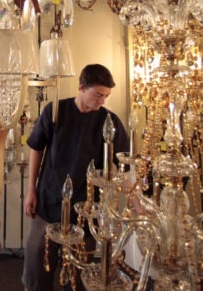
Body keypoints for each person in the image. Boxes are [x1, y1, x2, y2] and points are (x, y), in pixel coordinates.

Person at [22, 64, 129, 291]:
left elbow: (124, 166)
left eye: (106, 96)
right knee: (37, 267)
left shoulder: (110, 122)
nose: (102, 101)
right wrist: (31, 189)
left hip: (86, 209)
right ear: (81, 87)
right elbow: (36, 148)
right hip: (48, 200)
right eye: (98, 95)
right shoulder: (55, 111)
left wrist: (133, 201)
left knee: (79, 275)